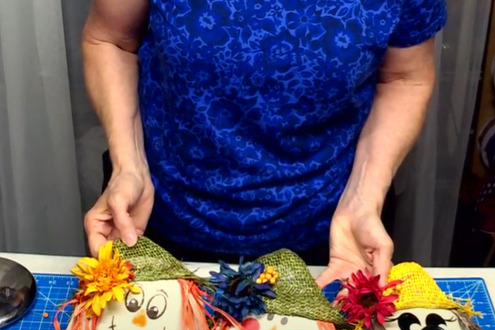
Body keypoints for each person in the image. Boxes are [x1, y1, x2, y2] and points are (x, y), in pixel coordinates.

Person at [81, 0, 447, 288]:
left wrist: (363, 197)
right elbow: (110, 39)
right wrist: (129, 166)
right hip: (154, 218)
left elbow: (405, 77)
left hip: (334, 239)